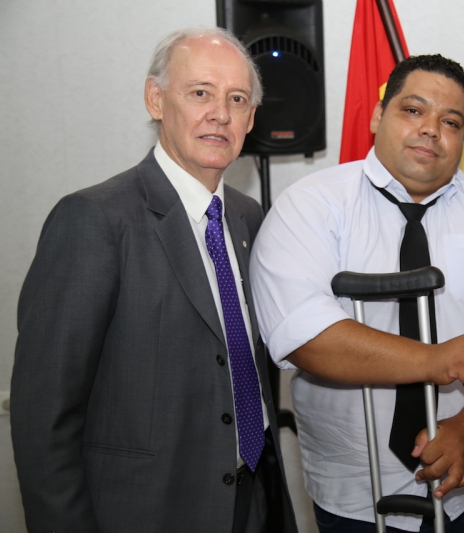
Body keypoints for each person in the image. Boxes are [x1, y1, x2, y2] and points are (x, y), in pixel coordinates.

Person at [250, 54, 464, 532]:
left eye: (451, 121)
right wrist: (434, 360)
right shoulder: (309, 206)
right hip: (358, 494)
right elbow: (301, 336)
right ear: (378, 115)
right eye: (413, 110)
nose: (431, 130)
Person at [11, 27, 297, 533]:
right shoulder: (94, 219)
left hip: (251, 500)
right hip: (146, 512)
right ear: (156, 99)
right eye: (200, 93)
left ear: (251, 118)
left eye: (237, 99)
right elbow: (43, 416)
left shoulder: (248, 218)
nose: (220, 114)